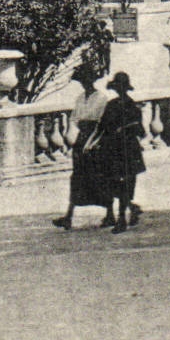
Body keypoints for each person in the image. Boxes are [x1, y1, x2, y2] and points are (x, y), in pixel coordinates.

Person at [53, 65, 113, 231]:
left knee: (101, 177)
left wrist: (91, 142)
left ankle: (110, 214)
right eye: (82, 82)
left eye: (87, 81)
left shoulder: (101, 98)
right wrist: (70, 139)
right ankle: (68, 216)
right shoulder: (80, 98)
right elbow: (74, 120)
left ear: (92, 81)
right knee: (78, 177)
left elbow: (102, 124)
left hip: (96, 141)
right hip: (81, 140)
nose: (85, 85)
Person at [98, 71, 147, 233]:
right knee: (121, 184)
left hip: (120, 150)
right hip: (124, 150)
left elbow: (103, 127)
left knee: (120, 183)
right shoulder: (131, 106)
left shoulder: (116, 105)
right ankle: (127, 212)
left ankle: (120, 218)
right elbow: (141, 131)